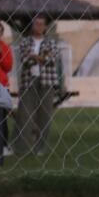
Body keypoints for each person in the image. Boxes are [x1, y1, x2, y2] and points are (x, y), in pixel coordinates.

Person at [15, 15, 63, 154]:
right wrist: (41, 57)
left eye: (41, 24)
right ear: (32, 26)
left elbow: (52, 60)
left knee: (45, 115)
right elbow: (25, 60)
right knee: (24, 114)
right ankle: (21, 148)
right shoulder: (25, 42)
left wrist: (34, 56)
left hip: (46, 81)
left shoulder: (51, 42)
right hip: (28, 81)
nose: (38, 27)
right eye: (36, 24)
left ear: (45, 27)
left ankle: (40, 148)